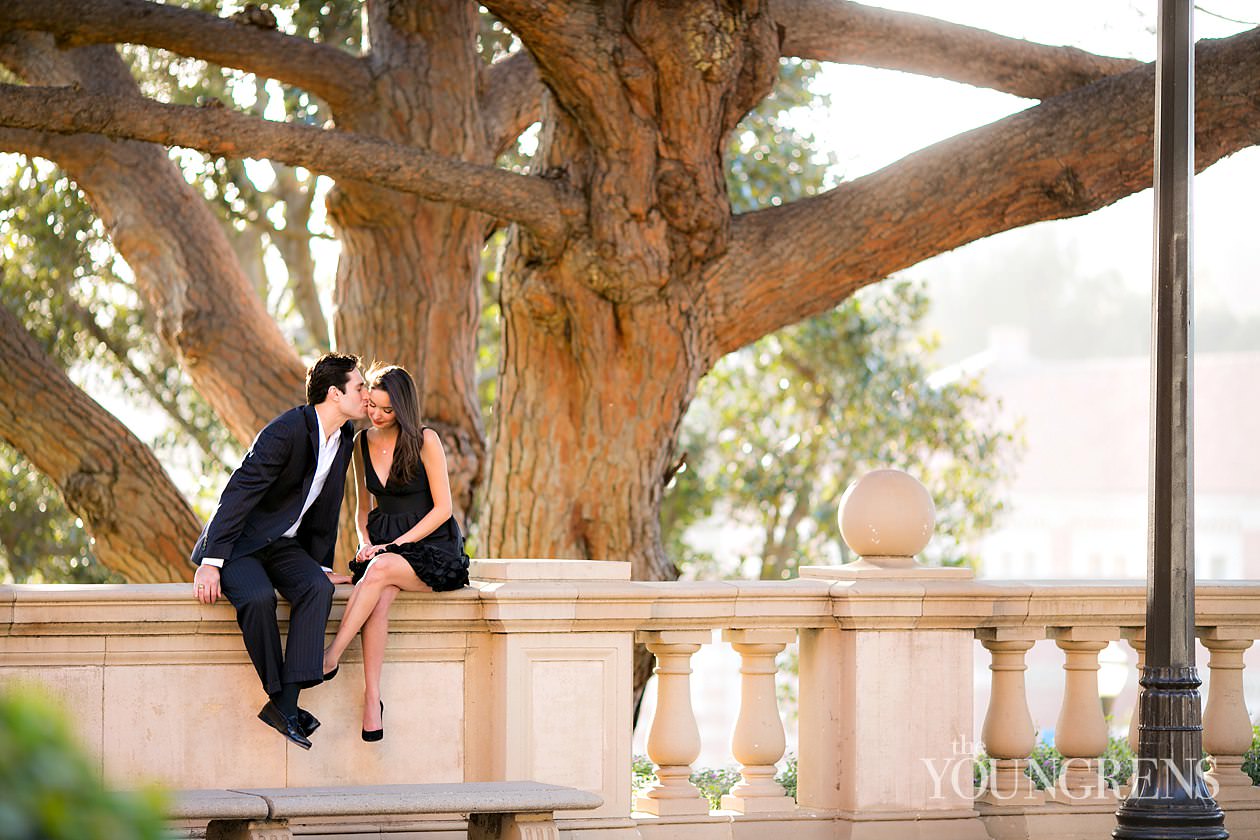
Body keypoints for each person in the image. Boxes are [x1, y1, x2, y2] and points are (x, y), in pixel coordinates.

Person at [190, 353, 367, 750]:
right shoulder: (286, 430)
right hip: (240, 544)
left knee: (316, 590)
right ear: (335, 394)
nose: (366, 394)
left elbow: (326, 506)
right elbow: (239, 491)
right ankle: (284, 704)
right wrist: (211, 562)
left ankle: (285, 704)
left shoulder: (344, 439)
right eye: (360, 386)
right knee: (256, 598)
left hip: (283, 545)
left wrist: (319, 564)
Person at [321, 363, 470, 741]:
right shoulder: (360, 442)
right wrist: (365, 543)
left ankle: (330, 657)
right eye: (373, 406)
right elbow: (361, 509)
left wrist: (394, 547)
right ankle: (373, 701)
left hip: (432, 547)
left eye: (388, 410)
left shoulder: (425, 440)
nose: (377, 415)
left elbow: (443, 509)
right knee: (380, 596)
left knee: (384, 568)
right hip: (384, 548)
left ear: (402, 409)